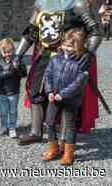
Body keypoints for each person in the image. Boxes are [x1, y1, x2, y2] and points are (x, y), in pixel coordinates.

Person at [14, 0, 102, 146]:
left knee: (64, 96)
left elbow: (95, 31)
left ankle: (63, 139)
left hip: (67, 56)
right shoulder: (41, 1)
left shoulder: (78, 1)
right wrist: (18, 54)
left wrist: (87, 54)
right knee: (35, 91)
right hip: (44, 55)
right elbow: (32, 32)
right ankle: (36, 131)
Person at [42, 30, 88, 165]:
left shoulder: (82, 62)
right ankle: (54, 149)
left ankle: (68, 154)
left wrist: (63, 94)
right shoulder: (55, 58)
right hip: (54, 97)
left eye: (71, 46)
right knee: (49, 122)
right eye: (65, 45)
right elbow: (48, 75)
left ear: (78, 46)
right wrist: (49, 90)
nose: (67, 48)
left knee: (69, 126)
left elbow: (78, 83)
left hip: (70, 100)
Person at [0, 38, 27, 138]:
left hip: (14, 91)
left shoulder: (18, 61)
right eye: (5, 52)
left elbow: (24, 74)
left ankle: (12, 127)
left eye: (9, 51)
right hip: (2, 92)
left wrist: (18, 68)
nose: (8, 54)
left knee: (13, 111)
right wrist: (10, 71)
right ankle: (4, 126)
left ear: (13, 50)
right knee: (3, 111)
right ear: (1, 52)